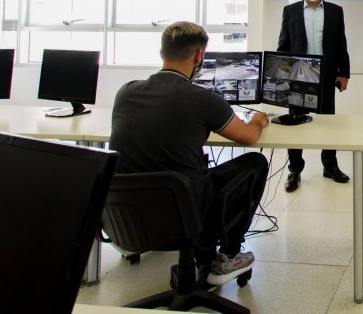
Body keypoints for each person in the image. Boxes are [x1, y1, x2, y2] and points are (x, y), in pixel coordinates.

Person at [109, 21, 270, 286]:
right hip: (188, 216)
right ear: (199, 56)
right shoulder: (203, 100)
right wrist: (259, 121)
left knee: (190, 169)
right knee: (254, 162)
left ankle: (204, 257)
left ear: (162, 53)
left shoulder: (125, 92)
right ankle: (228, 255)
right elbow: (249, 137)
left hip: (129, 219)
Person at [277, 0, 351, 192]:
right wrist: (282, 77)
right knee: (295, 124)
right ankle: (294, 170)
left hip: (327, 75)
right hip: (298, 75)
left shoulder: (335, 11)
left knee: (328, 123)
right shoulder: (289, 11)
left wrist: (344, 73)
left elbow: (341, 45)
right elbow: (283, 44)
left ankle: (330, 166)